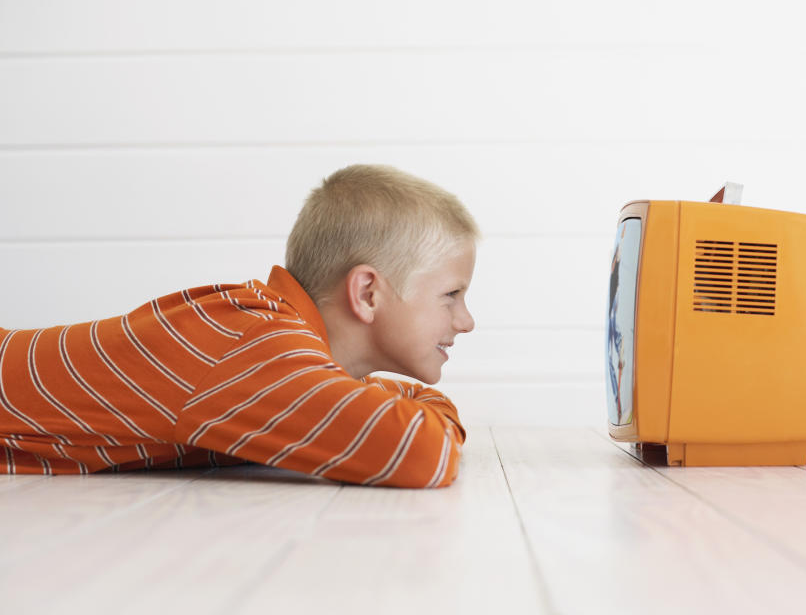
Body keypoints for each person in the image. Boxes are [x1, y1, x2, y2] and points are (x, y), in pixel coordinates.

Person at [0, 165, 478, 488]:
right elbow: (424, 452)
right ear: (368, 293)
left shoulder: (266, 340)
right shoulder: (260, 349)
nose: (466, 321)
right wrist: (425, 401)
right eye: (451, 295)